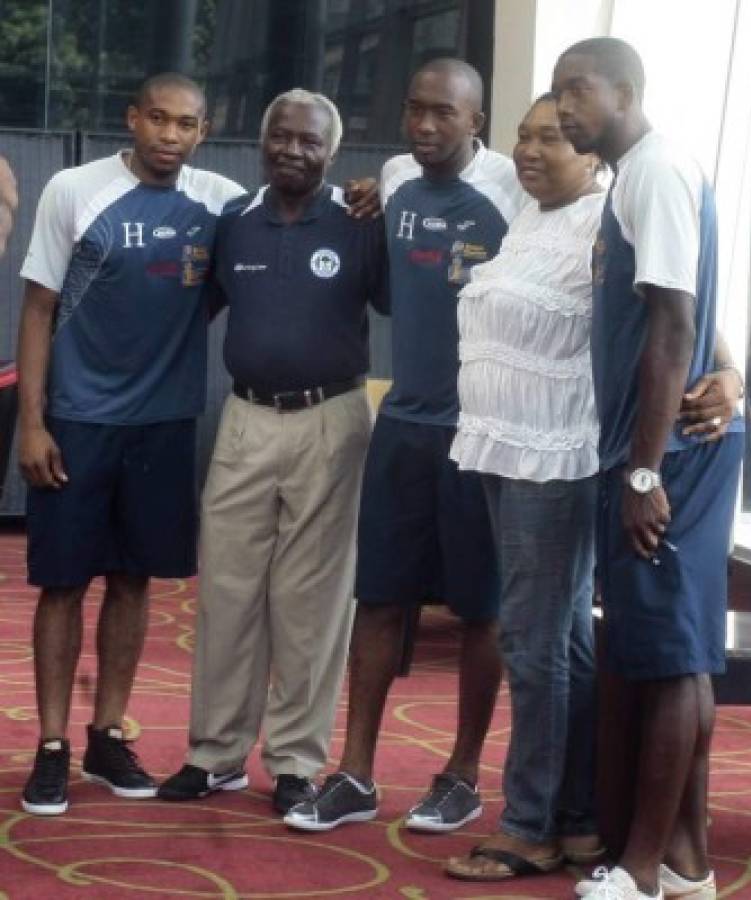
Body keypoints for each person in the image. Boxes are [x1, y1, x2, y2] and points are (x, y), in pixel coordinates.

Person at [285, 58, 525, 834]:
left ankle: (461, 773)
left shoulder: (514, 190)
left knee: (480, 607)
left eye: (442, 116)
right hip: (404, 425)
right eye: (415, 111)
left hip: (485, 431)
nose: (423, 127)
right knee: (379, 597)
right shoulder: (392, 177)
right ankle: (354, 772)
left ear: (475, 123)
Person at [16, 72, 244, 816]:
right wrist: (32, 421)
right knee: (62, 583)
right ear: (132, 119)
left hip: (166, 424)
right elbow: (39, 307)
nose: (170, 135)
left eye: (186, 124)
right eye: (158, 119)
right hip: (76, 421)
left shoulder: (219, 203)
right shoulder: (74, 191)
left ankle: (106, 733)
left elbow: (228, 282)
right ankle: (51, 744)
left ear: (203, 131)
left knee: (135, 580)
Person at [158, 89, 388, 815]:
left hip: (332, 418)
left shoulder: (359, 224)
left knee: (312, 602)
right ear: (261, 142)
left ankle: (294, 760)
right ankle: (215, 753)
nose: (293, 150)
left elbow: (409, 301)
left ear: (332, 152)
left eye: (310, 142)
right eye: (281, 137)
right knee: (227, 590)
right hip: (247, 418)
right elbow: (189, 311)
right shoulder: (234, 224)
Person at [551, 37, 744, 900]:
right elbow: (688, 312)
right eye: (556, 94)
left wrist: (642, 471)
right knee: (667, 652)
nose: (562, 109)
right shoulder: (635, 178)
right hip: (654, 448)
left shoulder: (656, 170)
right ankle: (686, 861)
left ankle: (641, 869)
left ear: (628, 91)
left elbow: (673, 324)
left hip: (669, 457)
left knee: (671, 656)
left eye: (577, 91)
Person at [443, 93, 606, 882]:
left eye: (554, 138)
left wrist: (728, 369)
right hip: (503, 446)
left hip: (555, 452)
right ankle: (576, 818)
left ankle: (528, 825)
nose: (531, 149)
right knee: (563, 641)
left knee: (531, 643)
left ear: (594, 150)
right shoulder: (530, 218)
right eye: (525, 135)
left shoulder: (609, 220)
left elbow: (682, 301)